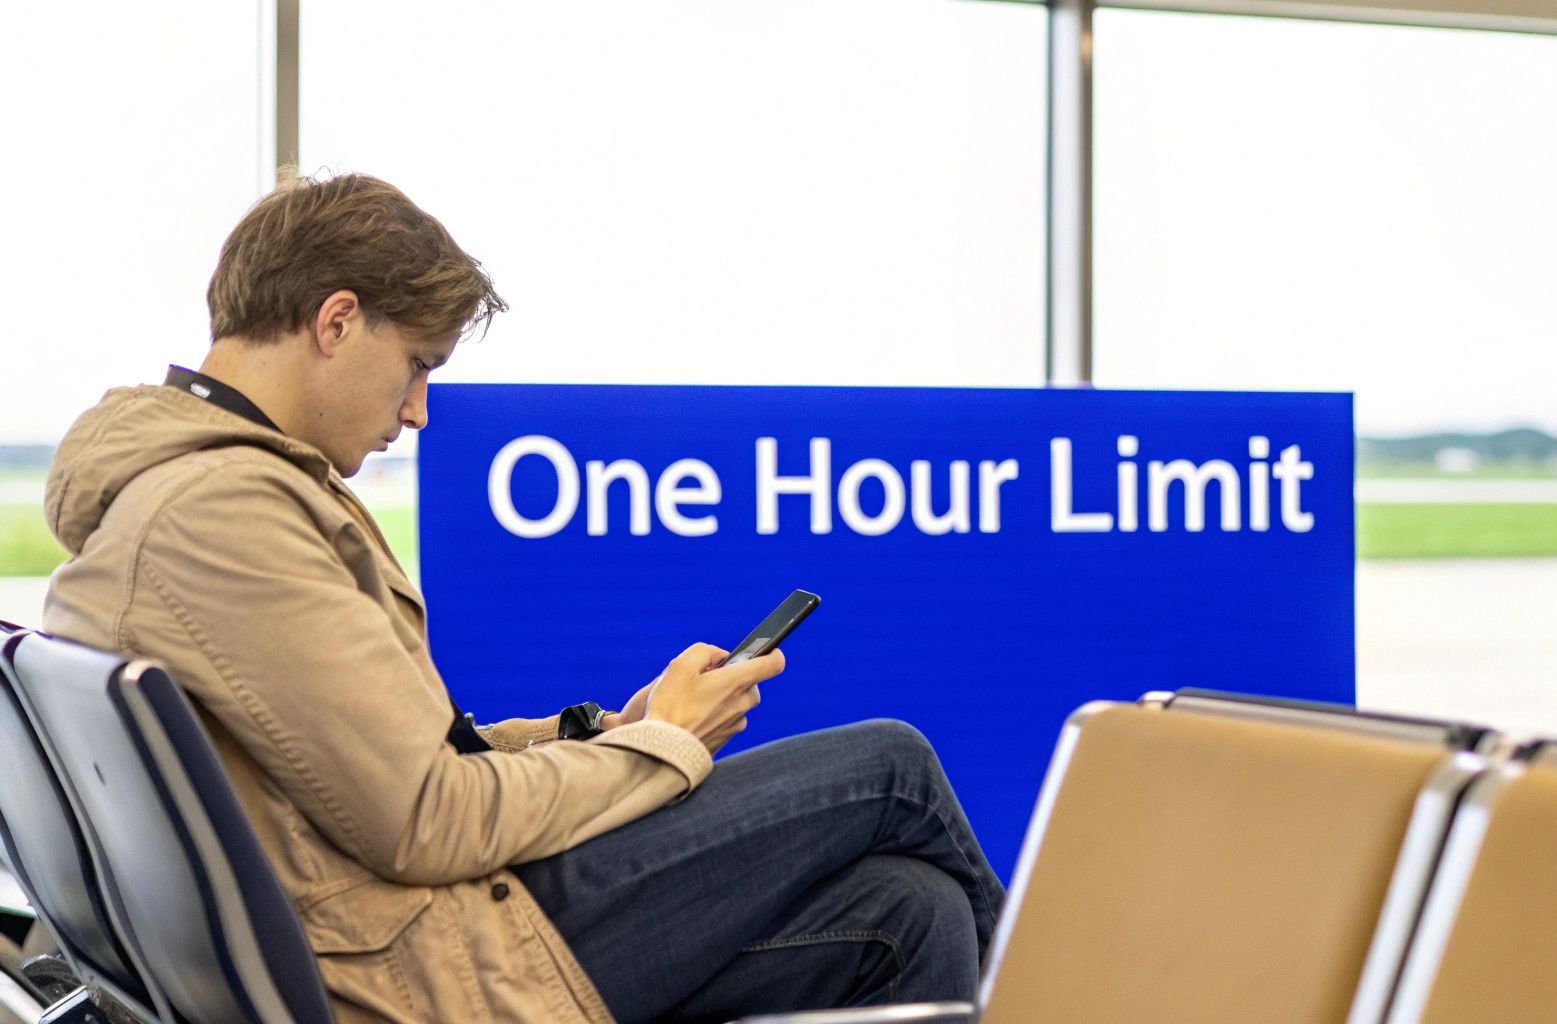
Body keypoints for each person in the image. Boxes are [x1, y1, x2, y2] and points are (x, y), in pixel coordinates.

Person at [40, 171, 1004, 1024]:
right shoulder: (226, 514)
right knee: (892, 767)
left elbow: (398, 766)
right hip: (424, 962)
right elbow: (431, 820)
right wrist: (660, 746)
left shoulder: (189, 496)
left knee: (909, 907)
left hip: (388, 930)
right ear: (337, 323)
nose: (417, 411)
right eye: (418, 364)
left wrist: (597, 730)